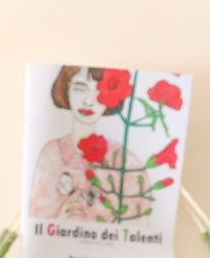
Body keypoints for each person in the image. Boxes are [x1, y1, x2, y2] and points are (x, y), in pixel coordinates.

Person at [27, 65, 149, 222]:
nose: (88, 101)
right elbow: (36, 219)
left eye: (99, 90)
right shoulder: (52, 153)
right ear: (66, 89)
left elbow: (139, 223)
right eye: (80, 88)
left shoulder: (124, 161)